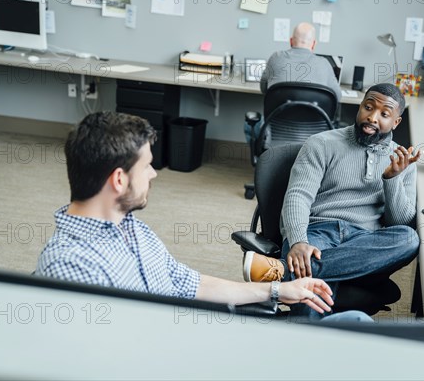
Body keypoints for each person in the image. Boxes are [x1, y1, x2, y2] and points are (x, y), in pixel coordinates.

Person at [35, 111, 370, 322]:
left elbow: (190, 283)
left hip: (201, 339)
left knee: (355, 323)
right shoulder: (71, 266)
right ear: (118, 179)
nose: (153, 174)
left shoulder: (132, 228)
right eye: (147, 166)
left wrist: (279, 291)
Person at [243, 83, 421, 319]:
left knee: (408, 238)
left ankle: (283, 273)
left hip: (363, 242)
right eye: (368, 107)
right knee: (309, 288)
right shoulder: (322, 143)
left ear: (396, 122)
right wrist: (297, 241)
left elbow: (400, 222)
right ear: (360, 107)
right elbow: (298, 195)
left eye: (384, 114)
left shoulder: (403, 160)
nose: (372, 117)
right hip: (316, 232)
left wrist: (392, 179)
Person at [244, 22, 342, 141]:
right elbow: (337, 97)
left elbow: (263, 88)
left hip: (276, 136)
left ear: (291, 41)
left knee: (249, 126)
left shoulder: (276, 58)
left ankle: (265, 159)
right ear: (313, 44)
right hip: (314, 140)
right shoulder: (324, 64)